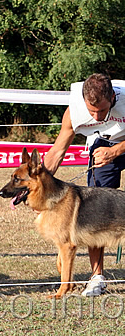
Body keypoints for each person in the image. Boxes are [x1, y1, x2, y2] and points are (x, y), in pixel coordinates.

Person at [44, 73, 125, 296]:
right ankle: (97, 277)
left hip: (118, 146)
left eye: (102, 110)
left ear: (113, 97)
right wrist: (40, 183)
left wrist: (116, 151)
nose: (97, 116)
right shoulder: (74, 112)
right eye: (92, 111)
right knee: (97, 210)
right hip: (102, 146)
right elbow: (57, 152)